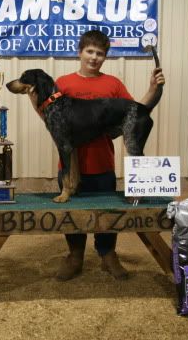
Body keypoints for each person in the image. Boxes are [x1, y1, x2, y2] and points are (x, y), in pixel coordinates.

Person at [53, 30, 165, 281]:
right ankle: (75, 256)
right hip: (70, 168)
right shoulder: (63, 83)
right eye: (90, 51)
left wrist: (153, 88)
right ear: (80, 52)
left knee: (108, 215)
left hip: (103, 164)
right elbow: (51, 119)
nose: (94, 57)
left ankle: (108, 255)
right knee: (72, 217)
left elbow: (136, 112)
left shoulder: (113, 84)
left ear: (105, 57)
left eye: (100, 53)